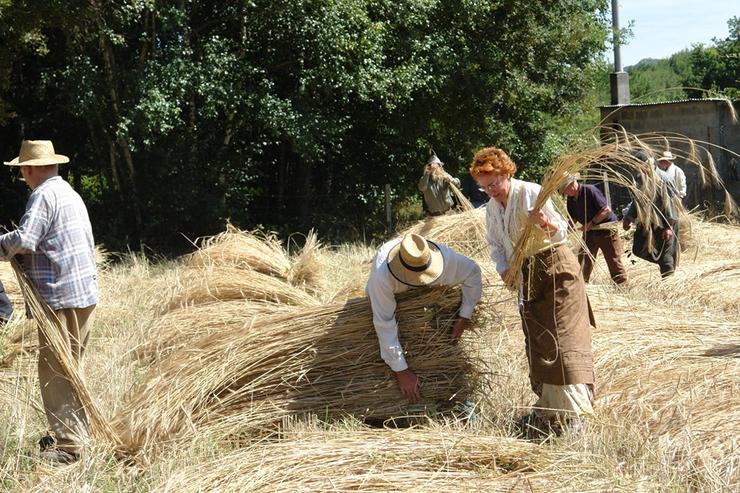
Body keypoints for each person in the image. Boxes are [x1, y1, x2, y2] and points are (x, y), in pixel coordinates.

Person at [470, 146, 594, 438]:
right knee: (540, 341)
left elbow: (561, 231)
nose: (491, 191)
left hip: (556, 270)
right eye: (484, 187)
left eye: (494, 183)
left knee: (564, 339)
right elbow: (496, 246)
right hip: (528, 276)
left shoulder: (529, 192)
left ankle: (576, 413)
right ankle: (553, 410)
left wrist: (545, 223)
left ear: (505, 173)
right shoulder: (490, 208)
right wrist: (504, 269)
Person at [0, 140, 99, 464]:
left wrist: (1, 244)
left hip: (59, 297)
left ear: (28, 170)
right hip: (83, 293)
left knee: (55, 371)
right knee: (71, 368)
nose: (22, 179)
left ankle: (69, 448)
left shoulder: (42, 196)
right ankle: (75, 434)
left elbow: (26, 240)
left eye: (21, 173)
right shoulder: (69, 193)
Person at [365, 233, 482, 403]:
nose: (420, 281)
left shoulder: (445, 261)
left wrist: (464, 316)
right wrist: (401, 370)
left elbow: (473, 272)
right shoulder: (382, 277)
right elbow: (384, 322)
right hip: (387, 291)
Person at [559, 175, 627, 285]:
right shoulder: (571, 199)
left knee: (613, 260)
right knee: (584, 258)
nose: (565, 193)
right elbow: (573, 218)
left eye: (565, 189)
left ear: (572, 184)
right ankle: (582, 285)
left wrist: (591, 223)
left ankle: (622, 285)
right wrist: (566, 230)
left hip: (606, 230)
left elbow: (606, 210)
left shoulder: (590, 190)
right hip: (590, 232)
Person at [622, 150, 680, 278]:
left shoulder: (664, 179)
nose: (637, 170)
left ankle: (669, 282)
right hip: (648, 221)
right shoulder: (640, 178)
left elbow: (671, 204)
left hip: (666, 220)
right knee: (638, 249)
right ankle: (662, 262)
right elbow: (637, 200)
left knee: (666, 256)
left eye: (638, 167)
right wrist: (629, 218)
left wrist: (668, 226)